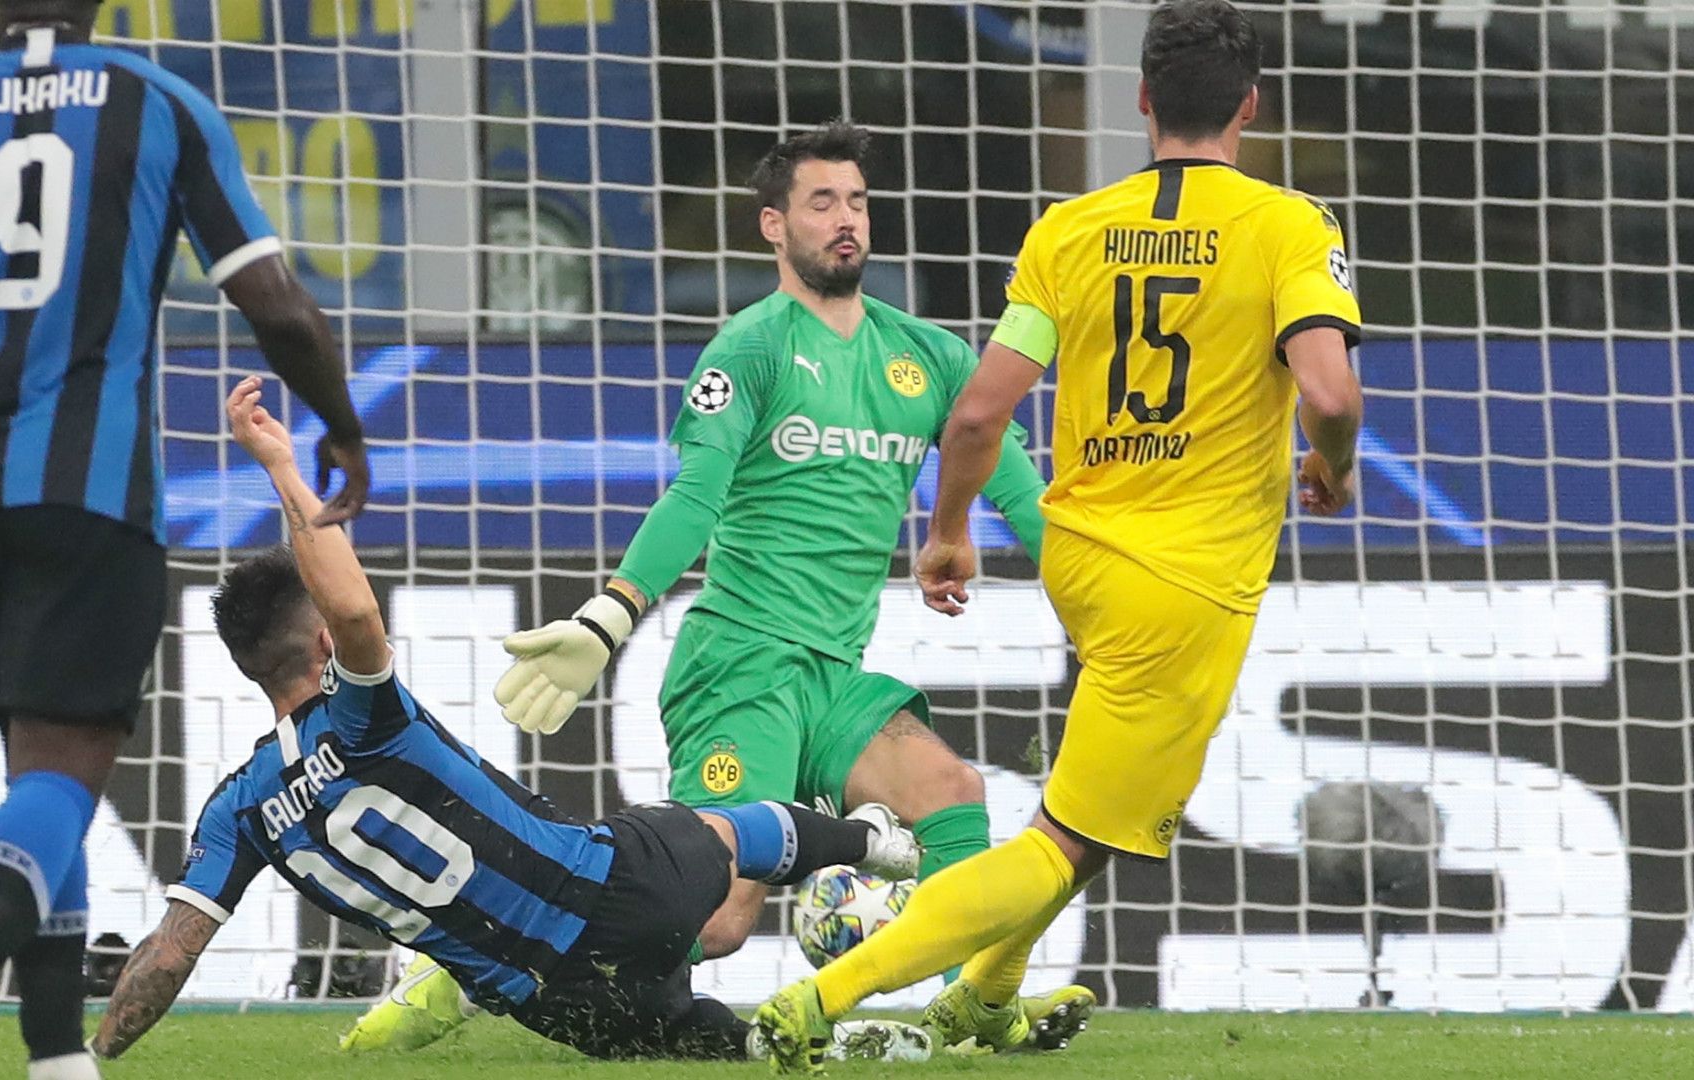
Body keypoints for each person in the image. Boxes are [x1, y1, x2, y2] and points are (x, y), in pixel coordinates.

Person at [341, 119, 1060, 1054]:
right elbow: (695, 497)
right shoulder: (748, 350)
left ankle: (974, 1012)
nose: (846, 219)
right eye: (821, 203)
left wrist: (1100, 600)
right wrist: (610, 615)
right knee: (718, 918)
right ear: (774, 225)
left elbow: (1022, 495)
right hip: (740, 665)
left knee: (952, 794)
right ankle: (475, 956)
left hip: (832, 676)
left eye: (856, 201)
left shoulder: (929, 357)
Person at [751, 1, 1367, 1071]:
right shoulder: (1291, 227)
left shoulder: (1068, 230)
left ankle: (985, 998)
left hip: (1081, 556)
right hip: (1183, 583)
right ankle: (820, 1001)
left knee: (1090, 807)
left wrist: (948, 530)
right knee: (1065, 841)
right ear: (1251, 108)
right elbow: (1330, 392)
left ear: (1142, 101)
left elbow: (980, 413)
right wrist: (1334, 464)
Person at [0, 3, 370, 1077]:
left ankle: (57, 1056)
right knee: (64, 773)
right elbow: (279, 308)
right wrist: (340, 424)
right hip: (96, 490)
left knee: (40, 776)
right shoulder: (160, 105)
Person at [88, 377, 929, 1066]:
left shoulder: (239, 808)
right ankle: (878, 845)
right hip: (611, 892)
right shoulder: (362, 716)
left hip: (547, 1002)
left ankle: (835, 1049)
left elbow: (171, 953)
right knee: (725, 829)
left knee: (701, 1040)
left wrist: (91, 1055)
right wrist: (281, 465)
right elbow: (353, 611)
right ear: (322, 646)